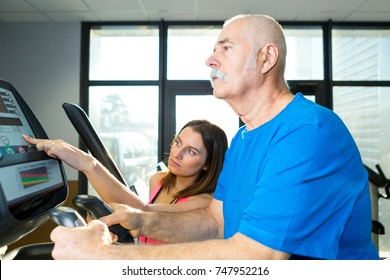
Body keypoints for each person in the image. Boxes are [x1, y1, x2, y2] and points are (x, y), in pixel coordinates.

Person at [43, 14, 379, 259]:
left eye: (226, 47)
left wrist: (102, 258)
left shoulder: (307, 132)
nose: (210, 60)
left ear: (266, 58)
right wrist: (141, 222)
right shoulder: (246, 136)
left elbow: (257, 257)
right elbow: (214, 221)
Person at [23, 119, 228, 245]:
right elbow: (140, 225)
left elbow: (143, 212)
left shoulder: (203, 202)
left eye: (191, 151)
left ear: (207, 164)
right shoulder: (158, 180)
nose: (178, 154)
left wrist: (88, 163)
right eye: (178, 142)